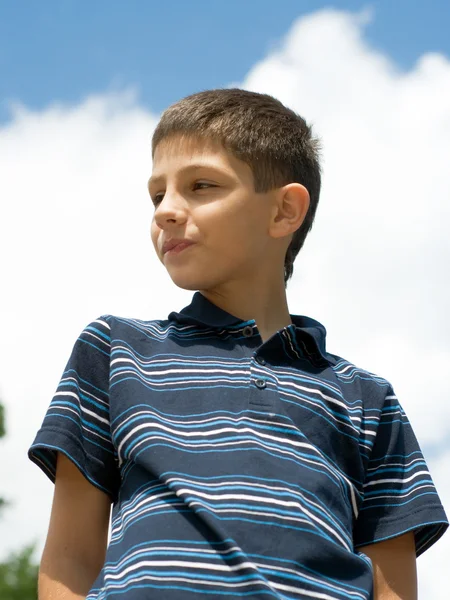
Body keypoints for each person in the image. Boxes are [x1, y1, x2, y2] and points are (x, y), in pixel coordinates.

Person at [29, 88, 448, 600]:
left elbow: (394, 589)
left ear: (284, 212)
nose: (166, 211)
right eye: (157, 194)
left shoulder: (368, 399)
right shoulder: (115, 351)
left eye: (201, 185)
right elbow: (70, 560)